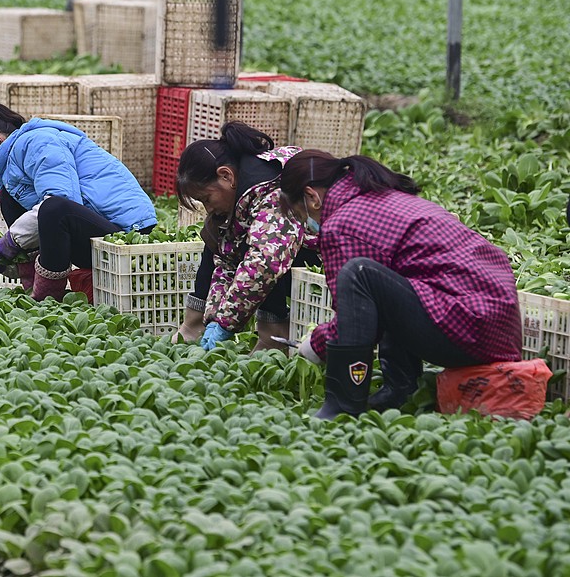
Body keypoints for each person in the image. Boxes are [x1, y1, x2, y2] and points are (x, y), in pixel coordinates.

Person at [279, 150, 522, 419]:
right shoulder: (385, 198)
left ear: (312, 197)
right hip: (498, 325)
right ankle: (400, 390)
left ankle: (343, 405)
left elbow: (353, 318)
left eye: (301, 214)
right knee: (391, 278)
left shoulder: (341, 223)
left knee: (359, 274)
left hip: (469, 325)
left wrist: (314, 344)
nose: (308, 224)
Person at [0, 104, 157, 301]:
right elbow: (44, 229)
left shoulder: (38, 141)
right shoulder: (16, 165)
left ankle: (48, 295)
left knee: (54, 207)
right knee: (10, 198)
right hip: (96, 234)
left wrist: (13, 238)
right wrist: (7, 262)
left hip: (129, 235)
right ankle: (31, 280)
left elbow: (61, 200)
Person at [175, 122, 320, 352]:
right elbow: (226, 260)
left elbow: (266, 263)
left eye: (206, 198)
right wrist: (214, 318)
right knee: (215, 240)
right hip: (293, 252)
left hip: (325, 255)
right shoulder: (243, 192)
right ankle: (193, 328)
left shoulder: (272, 192)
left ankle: (273, 339)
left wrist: (226, 323)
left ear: (226, 176)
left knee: (264, 255)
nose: (207, 208)